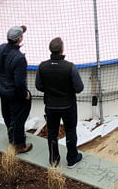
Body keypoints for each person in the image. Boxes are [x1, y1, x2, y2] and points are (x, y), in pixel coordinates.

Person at [36, 37, 84, 167]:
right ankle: (72, 158)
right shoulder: (70, 67)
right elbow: (79, 88)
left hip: (50, 106)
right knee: (70, 131)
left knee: (52, 133)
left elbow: (39, 86)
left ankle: (54, 160)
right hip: (68, 105)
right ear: (62, 50)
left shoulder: (42, 66)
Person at [0, 25, 32, 153]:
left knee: (7, 114)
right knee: (19, 117)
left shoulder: (0, 49)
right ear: (19, 39)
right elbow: (19, 82)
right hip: (14, 92)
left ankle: (11, 137)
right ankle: (19, 144)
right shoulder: (19, 58)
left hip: (2, 88)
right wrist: (24, 94)